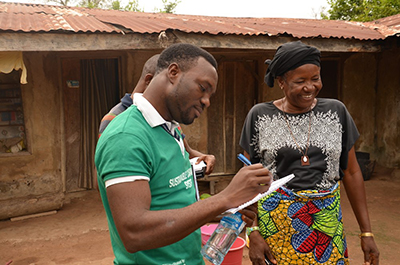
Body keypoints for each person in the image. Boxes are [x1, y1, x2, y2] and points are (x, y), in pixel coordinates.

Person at [95, 43, 273, 265]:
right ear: (173, 72)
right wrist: (224, 198)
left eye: (210, 94)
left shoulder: (169, 129)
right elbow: (134, 233)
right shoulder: (126, 136)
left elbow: (170, 202)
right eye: (202, 88)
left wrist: (222, 211)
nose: (207, 101)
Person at [239, 41, 379, 265]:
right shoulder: (260, 116)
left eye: (315, 78)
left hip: (327, 227)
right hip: (275, 228)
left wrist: (366, 232)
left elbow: (351, 172)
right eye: (300, 81)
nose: (310, 87)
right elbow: (249, 179)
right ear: (282, 82)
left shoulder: (336, 112)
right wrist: (252, 233)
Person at [98, 54, 216, 175]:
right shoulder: (116, 120)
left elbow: (185, 152)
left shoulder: (167, 120)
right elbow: (104, 175)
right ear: (150, 81)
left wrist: (203, 158)